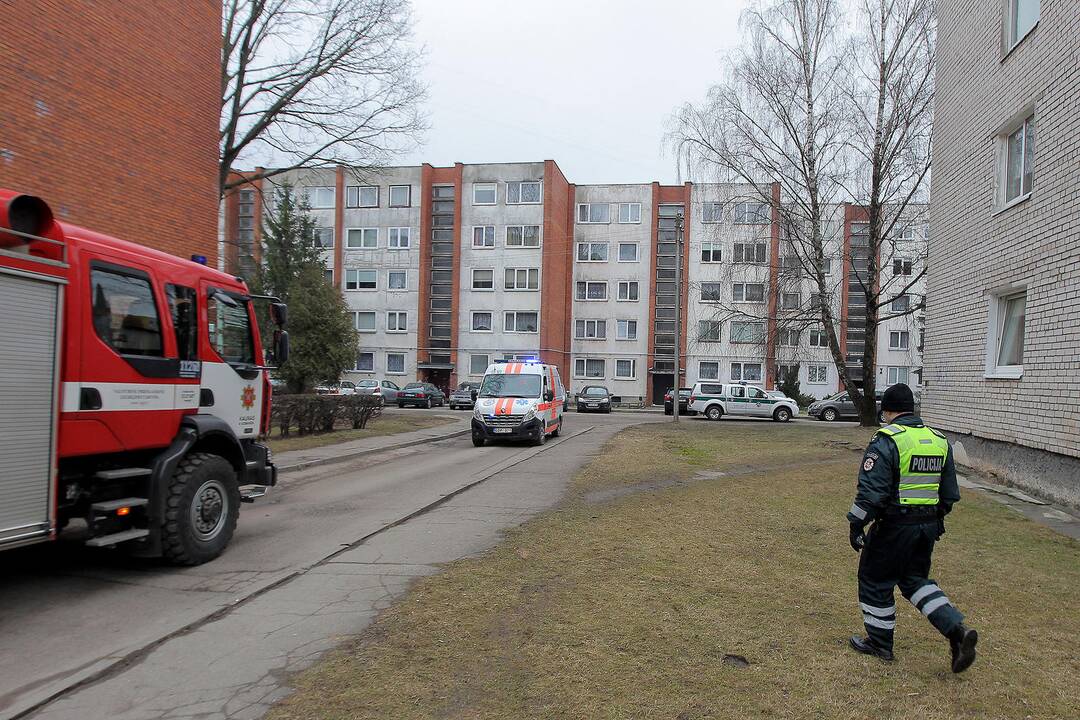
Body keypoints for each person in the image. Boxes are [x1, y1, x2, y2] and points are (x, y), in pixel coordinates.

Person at [846, 383, 978, 673]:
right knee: (915, 580)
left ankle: (880, 643)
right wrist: (933, 520)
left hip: (894, 526)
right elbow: (949, 494)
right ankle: (956, 631)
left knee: (874, 580)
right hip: (926, 528)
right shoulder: (938, 439)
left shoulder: (888, 439)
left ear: (888, 411)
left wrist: (856, 523)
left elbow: (871, 494)